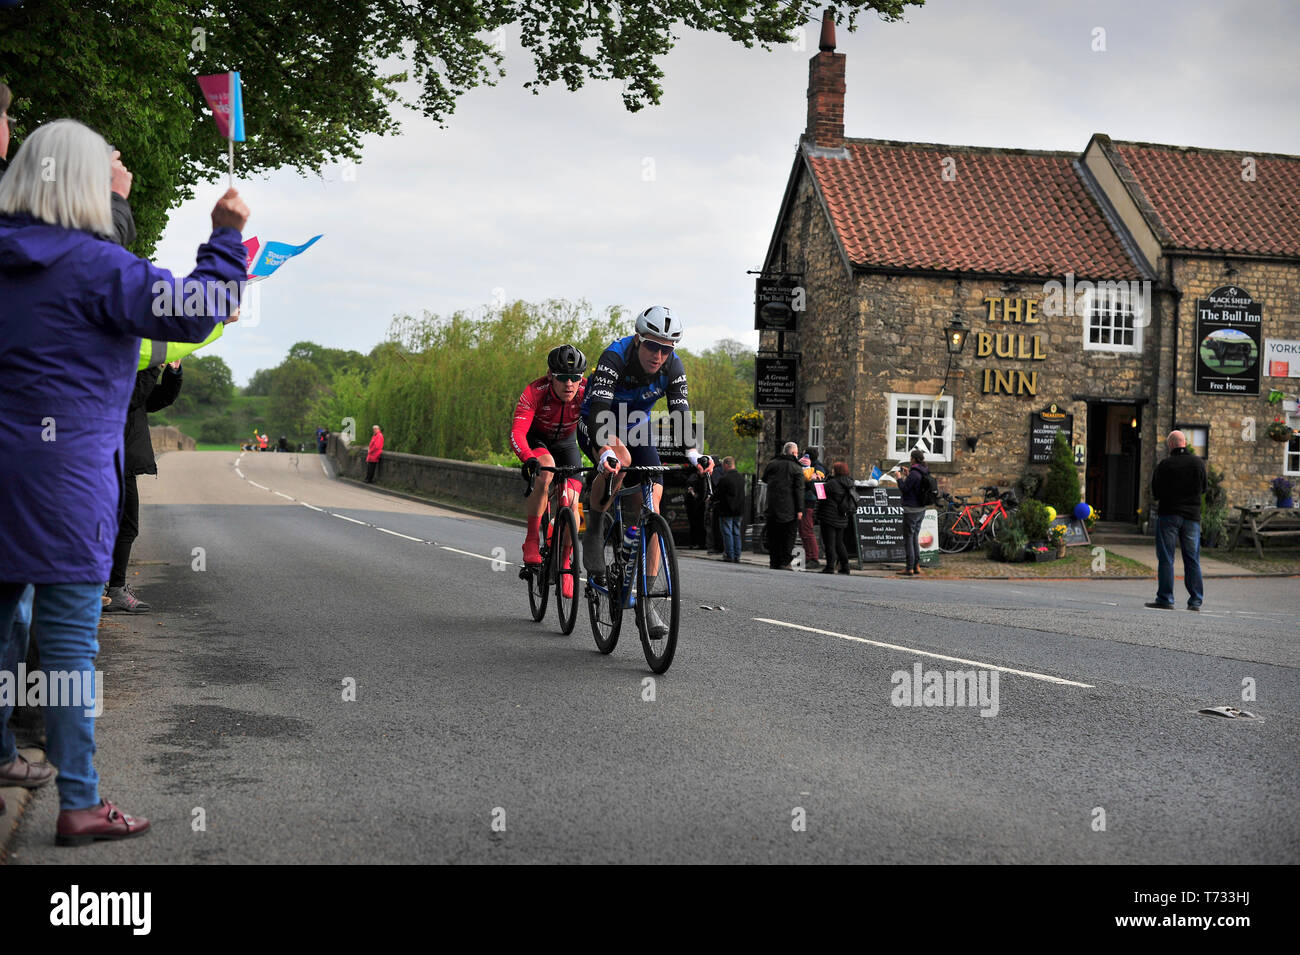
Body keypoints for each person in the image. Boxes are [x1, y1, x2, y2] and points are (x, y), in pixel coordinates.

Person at [0, 118, 250, 844]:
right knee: (70, 646)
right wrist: (226, 234)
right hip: (65, 481)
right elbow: (201, 310)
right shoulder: (99, 267)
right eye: (106, 162)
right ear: (81, 182)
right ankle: (80, 801)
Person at [578, 306, 712, 638]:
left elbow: (680, 414)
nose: (659, 355)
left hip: (637, 426)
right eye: (653, 346)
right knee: (619, 460)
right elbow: (598, 409)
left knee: (654, 497)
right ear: (638, 340)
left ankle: (645, 600)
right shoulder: (616, 356)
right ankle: (594, 528)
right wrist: (604, 449)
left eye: (666, 349)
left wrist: (694, 455)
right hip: (599, 421)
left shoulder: (673, 366)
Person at [103, 360, 186, 614]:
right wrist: (154, 367)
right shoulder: (113, 370)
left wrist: (173, 371)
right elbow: (131, 397)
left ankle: (106, 587)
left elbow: (158, 399)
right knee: (122, 526)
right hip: (111, 459)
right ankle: (112, 589)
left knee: (122, 526)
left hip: (121, 459)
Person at [511, 345, 588, 591]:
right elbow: (518, 432)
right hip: (538, 441)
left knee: (573, 505)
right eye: (563, 378)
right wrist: (526, 457)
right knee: (546, 469)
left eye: (575, 378)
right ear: (550, 375)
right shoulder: (535, 391)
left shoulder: (587, 391)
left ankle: (565, 563)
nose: (569, 384)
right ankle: (532, 539)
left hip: (567, 444)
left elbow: (604, 423)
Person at [1146, 430, 1207, 611]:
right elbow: (1203, 488)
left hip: (1169, 514)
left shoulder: (1165, 465)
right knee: (1192, 558)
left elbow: (1156, 493)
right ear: (1185, 443)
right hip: (1192, 517)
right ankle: (1195, 600)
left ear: (1171, 445)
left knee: (1166, 557)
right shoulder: (1198, 463)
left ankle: (1165, 598)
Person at [761, 442, 804, 570]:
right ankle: (785, 562)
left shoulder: (772, 464)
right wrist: (800, 509)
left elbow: (764, 479)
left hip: (773, 506)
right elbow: (799, 489)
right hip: (790, 508)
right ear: (794, 453)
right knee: (788, 537)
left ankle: (774, 561)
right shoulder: (796, 468)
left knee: (773, 536)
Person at [816, 461, 856, 574]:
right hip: (842, 516)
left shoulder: (833, 483)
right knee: (839, 543)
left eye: (833, 469)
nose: (832, 470)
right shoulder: (850, 483)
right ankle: (845, 566)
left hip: (829, 516)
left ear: (837, 471)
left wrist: (815, 481)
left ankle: (829, 567)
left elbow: (820, 494)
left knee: (829, 543)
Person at [897, 449, 929, 576]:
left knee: (909, 538)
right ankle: (916, 565)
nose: (910, 460)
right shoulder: (923, 471)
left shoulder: (914, 474)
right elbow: (915, 485)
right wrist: (908, 474)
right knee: (915, 536)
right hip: (921, 509)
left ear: (914, 459)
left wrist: (899, 478)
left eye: (911, 458)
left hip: (911, 509)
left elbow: (905, 489)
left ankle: (909, 567)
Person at [798, 448, 826, 569]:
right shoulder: (813, 467)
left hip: (809, 502)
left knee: (807, 531)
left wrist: (808, 470)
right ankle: (809, 557)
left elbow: (814, 481)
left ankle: (813, 558)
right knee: (803, 531)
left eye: (804, 455)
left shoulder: (817, 467)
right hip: (805, 501)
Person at [716, 456, 747, 563]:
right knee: (736, 532)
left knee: (727, 532)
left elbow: (718, 494)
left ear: (725, 465)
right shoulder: (741, 478)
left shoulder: (724, 479)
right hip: (739, 510)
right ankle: (737, 555)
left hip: (726, 509)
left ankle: (730, 554)